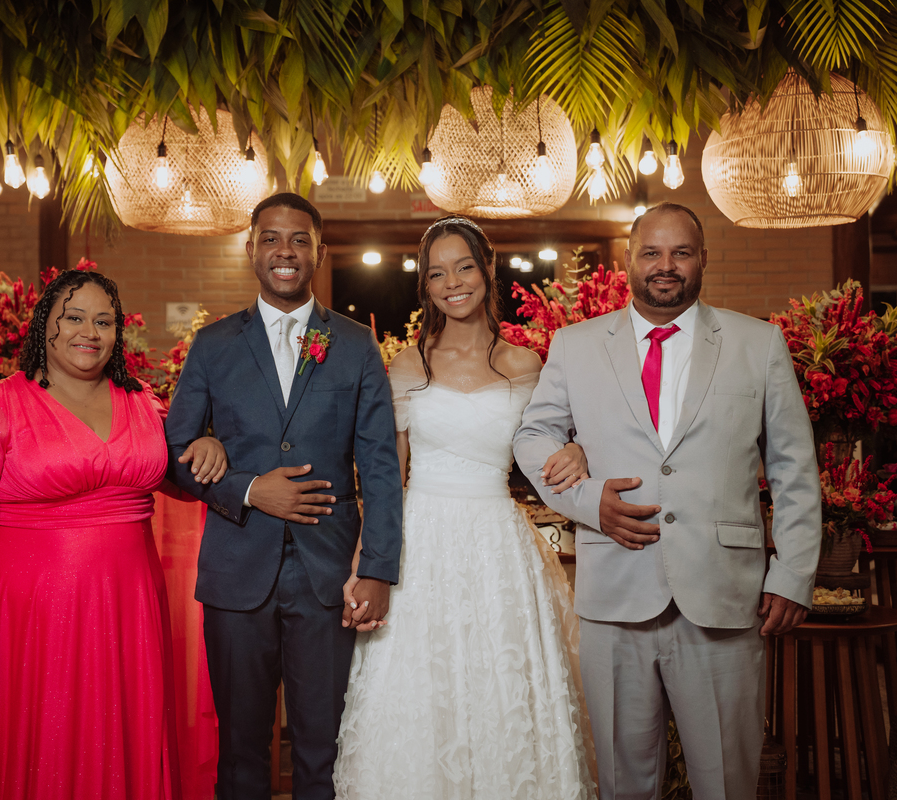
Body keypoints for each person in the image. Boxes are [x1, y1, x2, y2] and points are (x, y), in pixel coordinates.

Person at [513, 203, 821, 799]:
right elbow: (533, 436)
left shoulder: (757, 343)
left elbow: (794, 467)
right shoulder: (576, 345)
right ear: (629, 260)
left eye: (681, 252)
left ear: (703, 258)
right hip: (614, 592)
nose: (666, 265)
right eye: (651, 252)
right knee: (623, 782)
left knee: (727, 782)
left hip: (723, 594)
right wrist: (586, 500)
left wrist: (793, 573)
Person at [0, 269, 226, 799]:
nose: (89, 333)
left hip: (130, 613)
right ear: (45, 326)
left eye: (103, 321)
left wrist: (208, 446)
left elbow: (185, 478)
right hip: (28, 621)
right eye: (74, 318)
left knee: (124, 740)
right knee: (40, 747)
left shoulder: (143, 404)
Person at [332, 216, 597, 800]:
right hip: (420, 545)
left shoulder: (527, 365)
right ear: (425, 286)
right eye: (437, 274)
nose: (452, 283)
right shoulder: (408, 364)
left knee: (501, 689)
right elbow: (386, 478)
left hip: (497, 546)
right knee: (422, 692)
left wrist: (579, 449)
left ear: (487, 270)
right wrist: (365, 562)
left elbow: (551, 443)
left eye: (464, 267)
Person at [164, 193, 403, 800]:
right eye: (271, 238)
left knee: (324, 750)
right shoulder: (214, 344)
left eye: (299, 239)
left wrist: (378, 569)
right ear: (251, 249)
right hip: (236, 571)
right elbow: (173, 453)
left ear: (318, 250)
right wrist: (247, 489)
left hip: (330, 577)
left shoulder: (354, 343)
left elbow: (380, 464)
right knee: (241, 750)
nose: (285, 251)